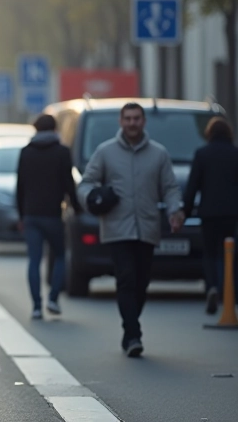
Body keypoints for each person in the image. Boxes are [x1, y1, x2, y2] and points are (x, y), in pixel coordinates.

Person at [78, 102, 184, 358]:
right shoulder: (105, 152)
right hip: (117, 227)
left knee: (141, 282)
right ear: (121, 121)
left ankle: (131, 325)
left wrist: (175, 210)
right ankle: (132, 333)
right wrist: (92, 199)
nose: (132, 123)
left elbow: (170, 187)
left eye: (137, 118)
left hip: (147, 228)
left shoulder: (159, 153)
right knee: (125, 278)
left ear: (143, 121)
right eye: (128, 118)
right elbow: (85, 183)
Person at [16, 114, 82, 320]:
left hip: (31, 216)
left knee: (34, 260)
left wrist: (21, 215)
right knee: (60, 256)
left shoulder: (26, 152)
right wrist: (77, 209)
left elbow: (20, 186)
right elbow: (69, 184)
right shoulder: (62, 152)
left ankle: (36, 306)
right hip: (53, 215)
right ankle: (53, 298)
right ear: (54, 129)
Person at [183, 117, 238, 314]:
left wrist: (185, 212)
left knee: (210, 253)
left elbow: (193, 186)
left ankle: (212, 286)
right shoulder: (235, 154)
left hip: (209, 213)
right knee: (231, 253)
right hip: (232, 213)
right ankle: (230, 291)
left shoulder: (202, 154)